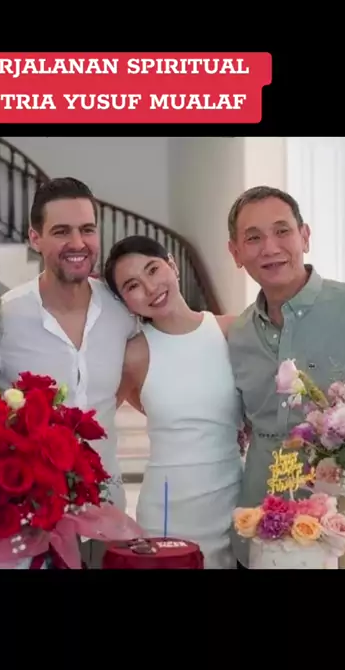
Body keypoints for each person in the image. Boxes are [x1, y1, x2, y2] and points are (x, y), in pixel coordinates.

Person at [0, 178, 138, 564]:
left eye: (87, 229)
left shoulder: (122, 311)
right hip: (31, 523)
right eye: (61, 231)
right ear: (35, 238)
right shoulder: (4, 318)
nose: (78, 242)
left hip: (108, 513)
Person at [226, 185, 345, 568]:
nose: (270, 247)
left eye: (282, 231)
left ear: (304, 236)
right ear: (235, 253)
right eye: (253, 238)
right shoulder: (238, 335)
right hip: (260, 531)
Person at [104, 234, 243, 569]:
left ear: (172, 264)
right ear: (125, 302)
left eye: (153, 269)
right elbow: (97, 418)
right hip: (166, 510)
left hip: (232, 501)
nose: (150, 288)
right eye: (132, 285)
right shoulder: (134, 354)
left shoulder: (230, 331)